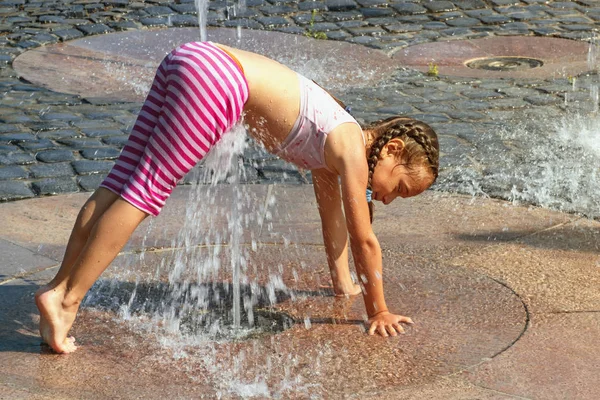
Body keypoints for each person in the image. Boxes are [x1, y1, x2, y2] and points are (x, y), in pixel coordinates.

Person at [35, 41, 439, 353]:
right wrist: (378, 309)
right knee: (145, 191)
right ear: (393, 149)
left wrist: (343, 283)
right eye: (400, 189)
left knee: (123, 179)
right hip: (218, 79)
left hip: (190, 59)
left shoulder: (332, 149)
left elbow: (333, 221)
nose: (388, 199)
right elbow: (363, 236)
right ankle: (67, 299)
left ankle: (56, 290)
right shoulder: (350, 144)